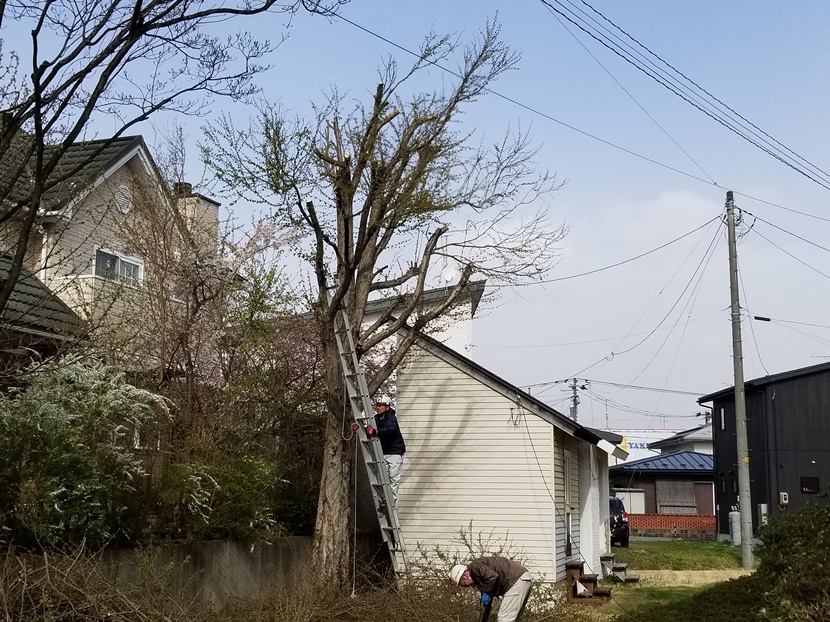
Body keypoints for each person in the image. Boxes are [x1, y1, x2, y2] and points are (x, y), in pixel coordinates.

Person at [450, 557, 533, 622]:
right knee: (512, 617)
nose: (465, 587)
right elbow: (487, 603)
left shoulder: (475, 567)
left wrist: (486, 593)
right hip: (522, 579)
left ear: (464, 576)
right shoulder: (480, 578)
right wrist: (483, 619)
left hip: (515, 580)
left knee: (504, 619)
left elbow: (493, 577)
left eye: (462, 584)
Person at [373, 394, 405, 502]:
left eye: (380, 405)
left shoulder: (391, 417)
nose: (378, 407)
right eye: (377, 405)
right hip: (383, 451)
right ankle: (383, 499)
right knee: (382, 477)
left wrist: (376, 432)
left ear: (387, 407)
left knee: (393, 478)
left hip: (394, 452)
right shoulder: (376, 418)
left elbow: (390, 430)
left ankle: (391, 501)